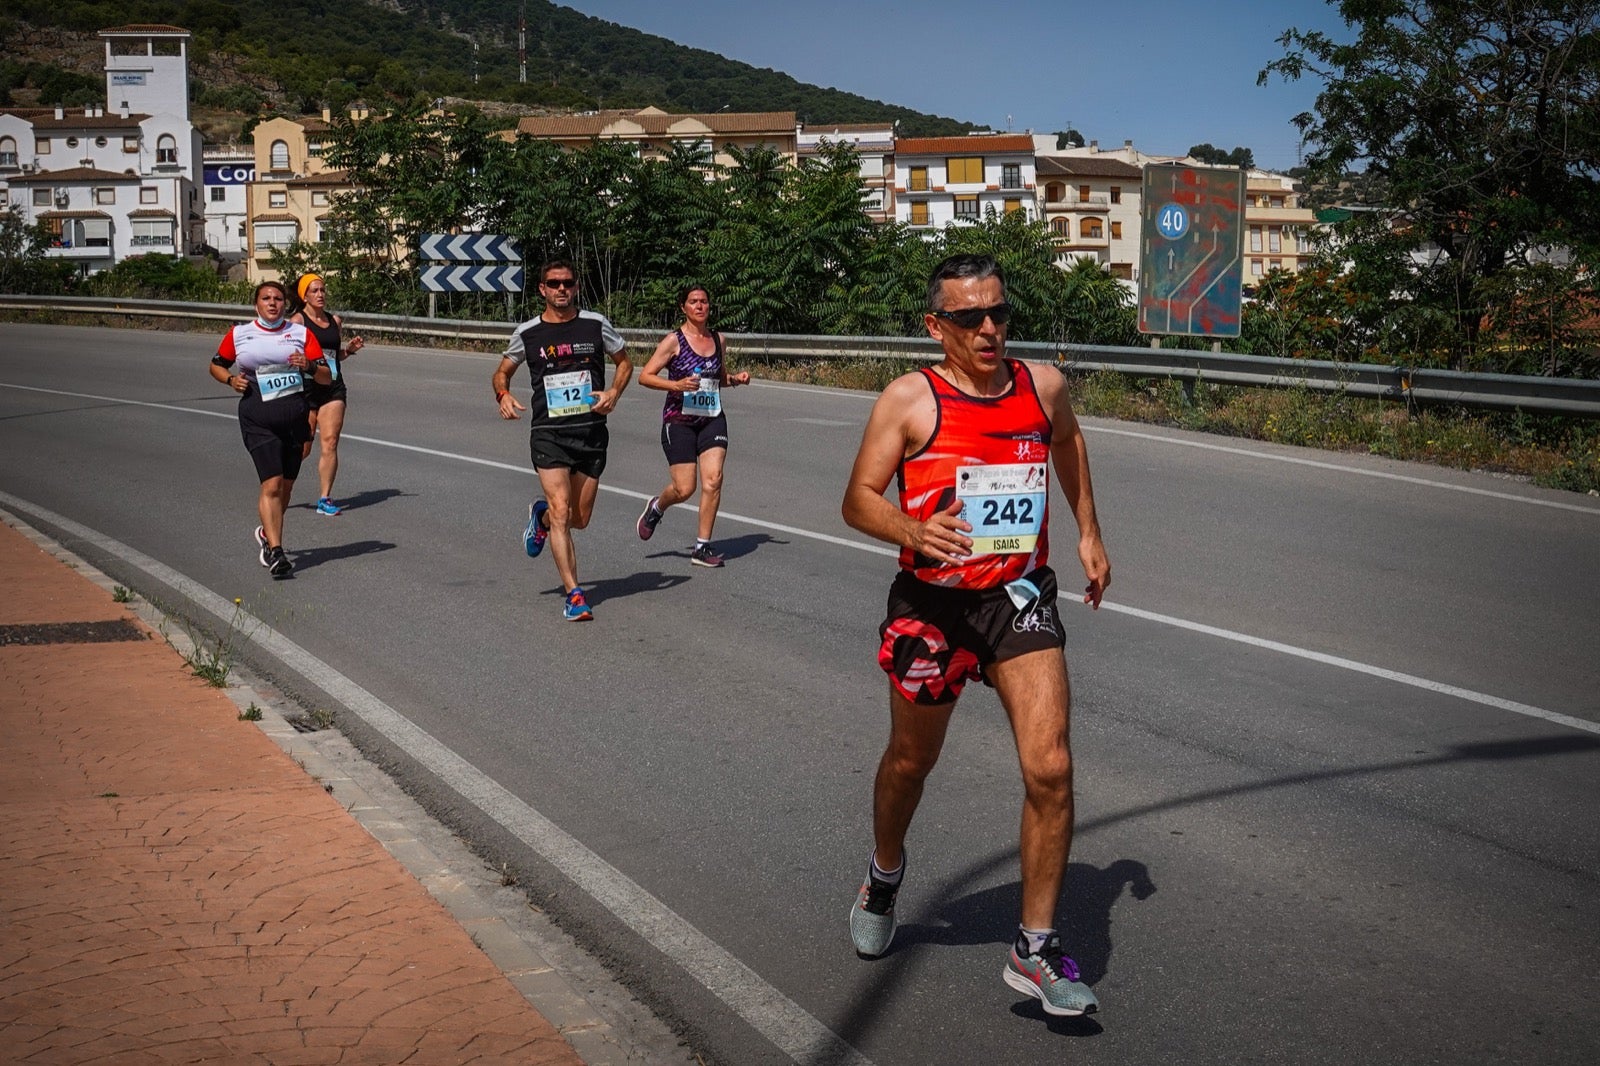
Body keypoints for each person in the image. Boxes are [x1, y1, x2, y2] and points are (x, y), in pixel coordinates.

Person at [840, 253, 1111, 1017]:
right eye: (969, 318)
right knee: (910, 761)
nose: (989, 329)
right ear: (937, 327)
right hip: (932, 606)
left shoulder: (1041, 386)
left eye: (998, 313)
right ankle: (884, 873)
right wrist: (912, 528)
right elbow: (857, 500)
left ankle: (1034, 950)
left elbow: (1069, 443)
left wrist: (1088, 531)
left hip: (1019, 597)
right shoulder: (910, 400)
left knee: (1051, 767)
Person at [493, 260, 632, 621]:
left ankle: (539, 521)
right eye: (553, 283)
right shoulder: (528, 332)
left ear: (576, 287)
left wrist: (614, 392)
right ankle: (574, 594)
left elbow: (625, 362)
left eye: (567, 283)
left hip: (590, 431)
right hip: (548, 433)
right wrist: (503, 395)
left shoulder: (595, 324)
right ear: (542, 289)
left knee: (579, 519)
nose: (561, 289)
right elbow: (502, 371)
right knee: (561, 510)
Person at [210, 280, 331, 578]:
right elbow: (216, 364)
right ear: (257, 304)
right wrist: (229, 380)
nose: (273, 303)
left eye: (278, 298)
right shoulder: (240, 334)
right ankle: (277, 552)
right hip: (258, 415)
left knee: (286, 488)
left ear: (284, 304)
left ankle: (267, 533)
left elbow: (328, 377)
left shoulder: (300, 334)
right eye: (266, 298)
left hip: (294, 414)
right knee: (272, 484)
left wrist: (310, 367)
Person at [634, 285, 751, 567]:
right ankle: (657, 507)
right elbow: (645, 376)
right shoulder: (674, 341)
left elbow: (718, 377)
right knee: (685, 488)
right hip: (679, 421)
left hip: (712, 419)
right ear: (684, 307)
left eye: (704, 301)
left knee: (713, 480)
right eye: (693, 302)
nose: (700, 306)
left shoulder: (718, 339)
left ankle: (702, 547)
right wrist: (675, 384)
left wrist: (735, 379)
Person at [288, 273, 365, 516]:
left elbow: (332, 355)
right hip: (307, 388)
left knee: (330, 442)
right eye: (314, 291)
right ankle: (279, 483)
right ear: (304, 296)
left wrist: (349, 351)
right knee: (303, 448)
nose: (320, 295)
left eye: (322, 290)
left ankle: (325, 498)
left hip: (333, 387)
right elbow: (288, 355)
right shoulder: (297, 322)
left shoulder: (335, 321)